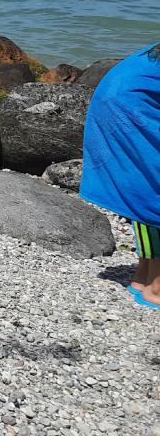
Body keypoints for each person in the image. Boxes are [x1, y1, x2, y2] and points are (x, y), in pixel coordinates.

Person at [80, 43, 160, 310]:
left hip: (115, 102)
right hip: (129, 108)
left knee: (144, 187)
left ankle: (143, 277)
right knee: (154, 190)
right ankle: (156, 288)